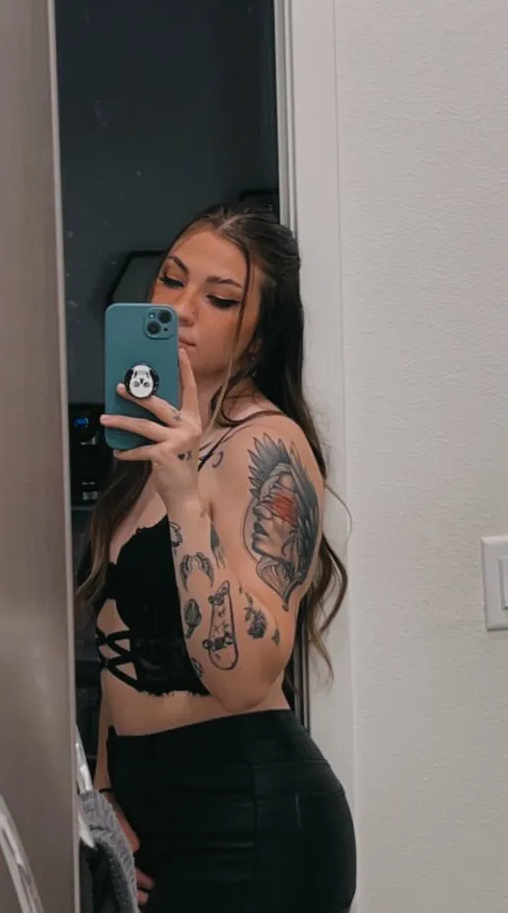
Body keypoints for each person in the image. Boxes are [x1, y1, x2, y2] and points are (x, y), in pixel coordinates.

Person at [77, 203, 356, 913]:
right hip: (149, 817)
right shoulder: (147, 447)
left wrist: (186, 498)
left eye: (220, 298)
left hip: (248, 820)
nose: (181, 309)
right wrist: (105, 793)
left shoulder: (267, 447)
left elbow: (243, 679)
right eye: (171, 280)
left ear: (257, 338)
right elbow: (116, 648)